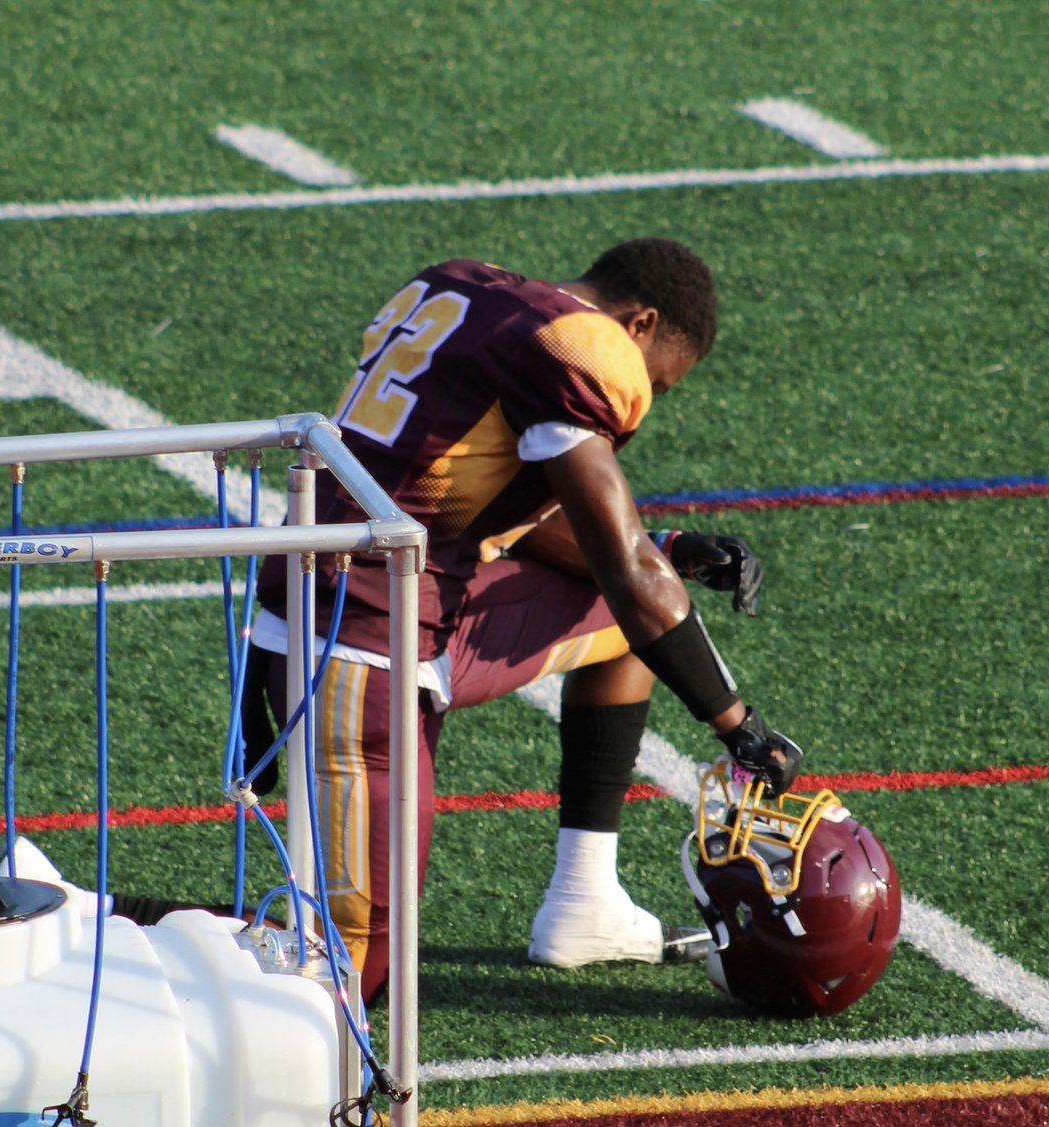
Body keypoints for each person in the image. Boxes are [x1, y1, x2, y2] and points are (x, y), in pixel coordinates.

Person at [244, 238, 803, 1003]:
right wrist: (738, 723)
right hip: (358, 643)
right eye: (660, 384)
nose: (650, 397)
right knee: (356, 971)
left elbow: (471, 502)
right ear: (638, 324)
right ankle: (104, 919)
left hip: (373, 606)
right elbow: (627, 568)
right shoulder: (579, 348)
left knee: (632, 611)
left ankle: (585, 900)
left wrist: (667, 548)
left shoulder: (467, 293)